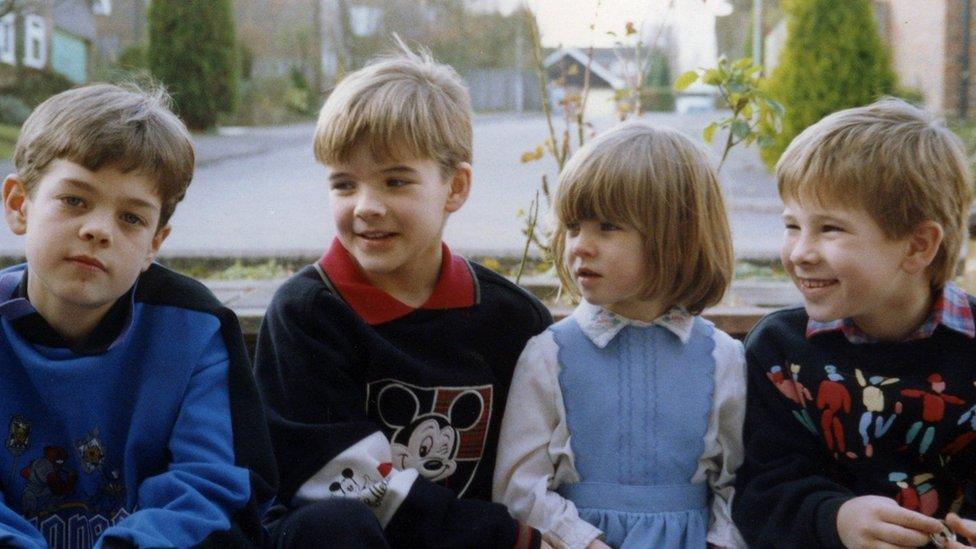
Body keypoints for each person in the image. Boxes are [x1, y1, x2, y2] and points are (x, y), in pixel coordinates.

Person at [254, 44, 552, 548]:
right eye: (344, 184)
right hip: (350, 539)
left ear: (454, 188)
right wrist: (506, 540)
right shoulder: (308, 314)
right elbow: (342, 481)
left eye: (396, 182)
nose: (366, 207)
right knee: (335, 527)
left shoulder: (512, 320)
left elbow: (538, 467)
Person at [0, 83, 277, 549]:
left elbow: (214, 487)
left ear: (155, 243)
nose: (98, 230)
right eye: (74, 200)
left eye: (131, 218)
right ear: (18, 204)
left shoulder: (195, 330)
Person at [733, 98, 976, 548]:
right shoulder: (780, 353)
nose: (801, 252)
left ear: (918, 246)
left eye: (830, 229)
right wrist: (836, 518)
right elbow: (761, 491)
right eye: (792, 225)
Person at [493, 121, 746, 549]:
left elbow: (737, 481)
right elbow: (519, 485)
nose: (580, 246)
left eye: (607, 226)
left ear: (677, 238)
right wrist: (582, 542)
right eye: (573, 226)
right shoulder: (551, 354)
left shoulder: (721, 357)